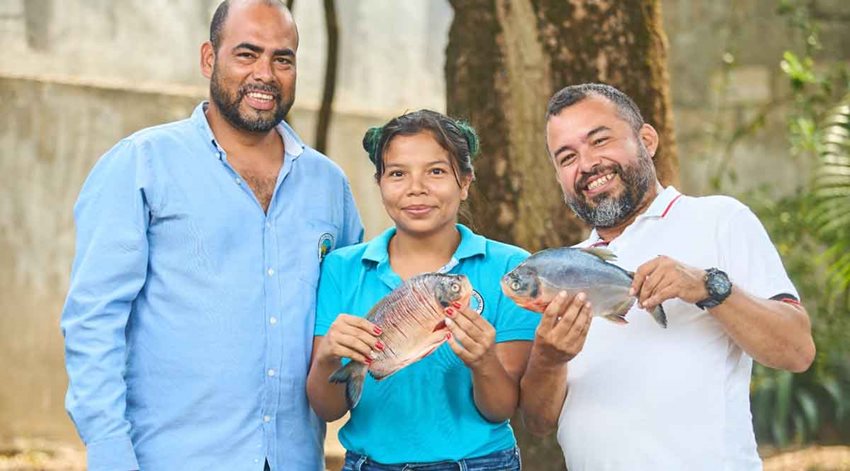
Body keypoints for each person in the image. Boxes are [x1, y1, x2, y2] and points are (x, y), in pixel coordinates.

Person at [60, 1, 363, 469]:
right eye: (247, 54)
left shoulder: (328, 186)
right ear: (209, 58)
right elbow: (94, 321)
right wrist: (110, 453)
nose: (265, 74)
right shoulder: (143, 164)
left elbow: (349, 317)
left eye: (282, 59)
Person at [519, 83, 816, 470]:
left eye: (599, 140)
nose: (587, 164)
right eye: (567, 157)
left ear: (647, 140)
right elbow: (539, 423)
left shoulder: (719, 219)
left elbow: (797, 350)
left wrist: (708, 287)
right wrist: (548, 358)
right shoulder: (559, 271)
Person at [306, 110, 539, 470]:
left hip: (480, 463)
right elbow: (328, 408)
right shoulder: (342, 268)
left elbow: (500, 409)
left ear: (465, 182)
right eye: (398, 173)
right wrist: (327, 358)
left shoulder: (511, 268)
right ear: (380, 183)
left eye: (436, 171)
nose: (416, 187)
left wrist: (483, 361)